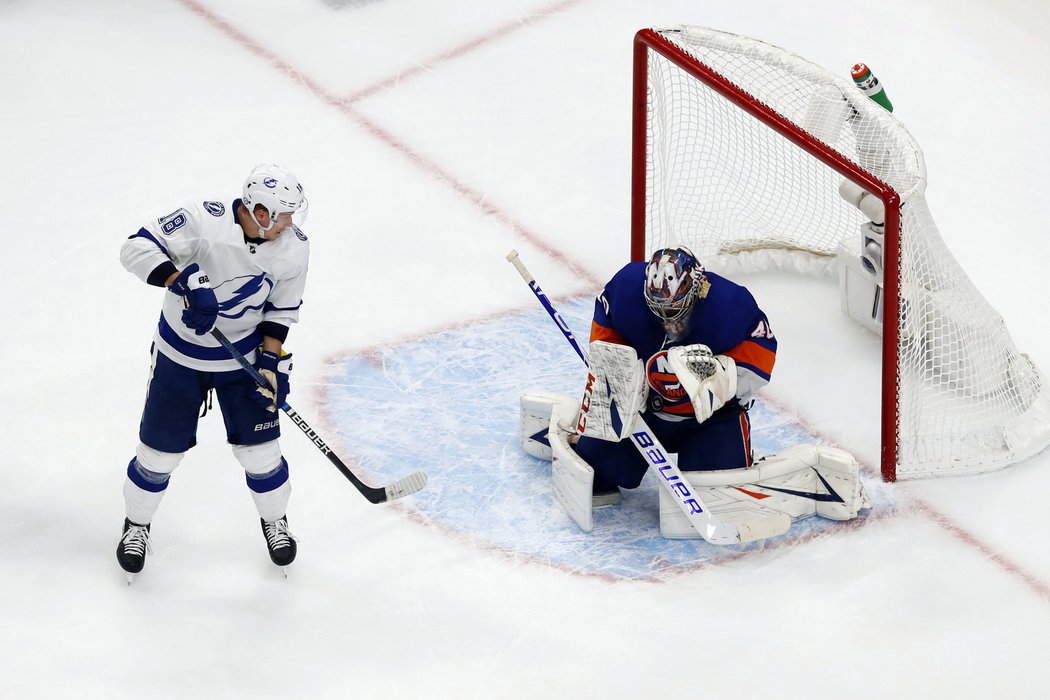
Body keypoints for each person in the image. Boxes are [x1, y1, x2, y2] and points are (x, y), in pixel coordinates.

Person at [116, 164, 310, 577]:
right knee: (158, 457)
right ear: (260, 212)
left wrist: (272, 362)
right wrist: (181, 281)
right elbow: (135, 247)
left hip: (243, 362)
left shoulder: (294, 248)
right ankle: (137, 525)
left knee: (262, 456)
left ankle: (275, 520)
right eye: (284, 215)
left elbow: (280, 311)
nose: (291, 224)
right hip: (180, 358)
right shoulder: (203, 219)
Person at [576, 246, 777, 501]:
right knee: (595, 475)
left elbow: (763, 352)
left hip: (708, 419)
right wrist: (621, 374)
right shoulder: (625, 288)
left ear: (697, 290)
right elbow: (605, 333)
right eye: (657, 309)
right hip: (640, 411)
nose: (666, 318)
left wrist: (723, 379)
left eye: (673, 309)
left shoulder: (730, 304)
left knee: (719, 493)